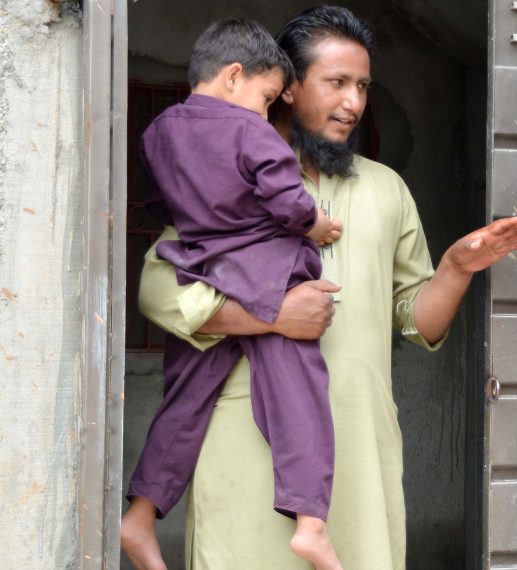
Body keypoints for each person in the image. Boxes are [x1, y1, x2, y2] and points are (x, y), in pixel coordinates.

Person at [132, 6, 517, 569]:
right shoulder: (228, 174)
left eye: (363, 87)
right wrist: (271, 315)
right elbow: (158, 289)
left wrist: (455, 268)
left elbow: (417, 326)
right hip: (245, 442)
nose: (354, 103)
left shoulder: (387, 188)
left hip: (358, 444)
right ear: (289, 88)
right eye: (337, 83)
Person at [122, 18, 348, 570]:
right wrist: (315, 223)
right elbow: (287, 199)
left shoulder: (157, 132)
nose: (268, 111)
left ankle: (141, 513)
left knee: (185, 398)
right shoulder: (251, 132)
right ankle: (311, 522)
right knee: (299, 389)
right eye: (267, 97)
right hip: (266, 268)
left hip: (199, 266)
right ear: (232, 76)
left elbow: (155, 203)